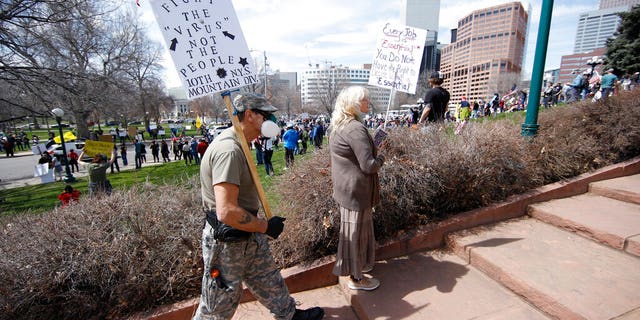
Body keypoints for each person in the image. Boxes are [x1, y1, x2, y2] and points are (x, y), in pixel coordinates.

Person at [194, 92, 324, 320]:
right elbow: (226, 211)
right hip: (228, 242)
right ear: (250, 115)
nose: (272, 121)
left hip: (248, 234)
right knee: (219, 302)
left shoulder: (242, 144)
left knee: (268, 278)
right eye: (266, 115)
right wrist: (265, 227)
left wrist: (259, 228)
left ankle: (289, 315)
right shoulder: (229, 151)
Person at [328, 86, 386, 291]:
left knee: (353, 233)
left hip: (347, 190)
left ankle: (357, 270)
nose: (367, 103)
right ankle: (357, 278)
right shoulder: (355, 128)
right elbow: (369, 165)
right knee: (356, 235)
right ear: (353, 103)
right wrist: (382, 156)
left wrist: (376, 142)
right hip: (356, 192)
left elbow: (357, 155)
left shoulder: (341, 125)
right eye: (364, 100)